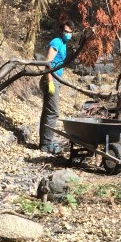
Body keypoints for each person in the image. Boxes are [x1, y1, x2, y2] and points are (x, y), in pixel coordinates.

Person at [39, 19, 76, 153]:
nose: (68, 34)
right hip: (51, 79)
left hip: (56, 79)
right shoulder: (56, 42)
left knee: (47, 112)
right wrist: (50, 81)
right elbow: (47, 63)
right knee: (53, 112)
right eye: (66, 31)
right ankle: (46, 144)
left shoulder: (63, 44)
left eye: (70, 32)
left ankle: (44, 143)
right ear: (61, 31)